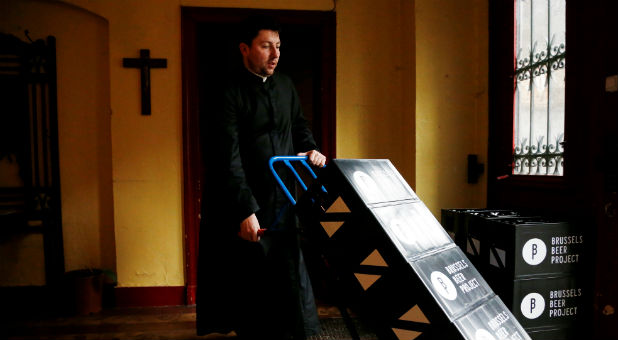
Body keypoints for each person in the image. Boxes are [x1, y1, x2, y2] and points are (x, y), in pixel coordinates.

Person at [196, 15, 326, 340]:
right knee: (252, 285)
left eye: (278, 46)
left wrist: (310, 149)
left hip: (283, 196)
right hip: (246, 200)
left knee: (291, 278)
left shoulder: (285, 85)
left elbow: (299, 125)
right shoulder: (227, 91)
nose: (275, 54)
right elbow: (227, 156)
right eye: (266, 46)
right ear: (245, 49)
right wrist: (244, 210)